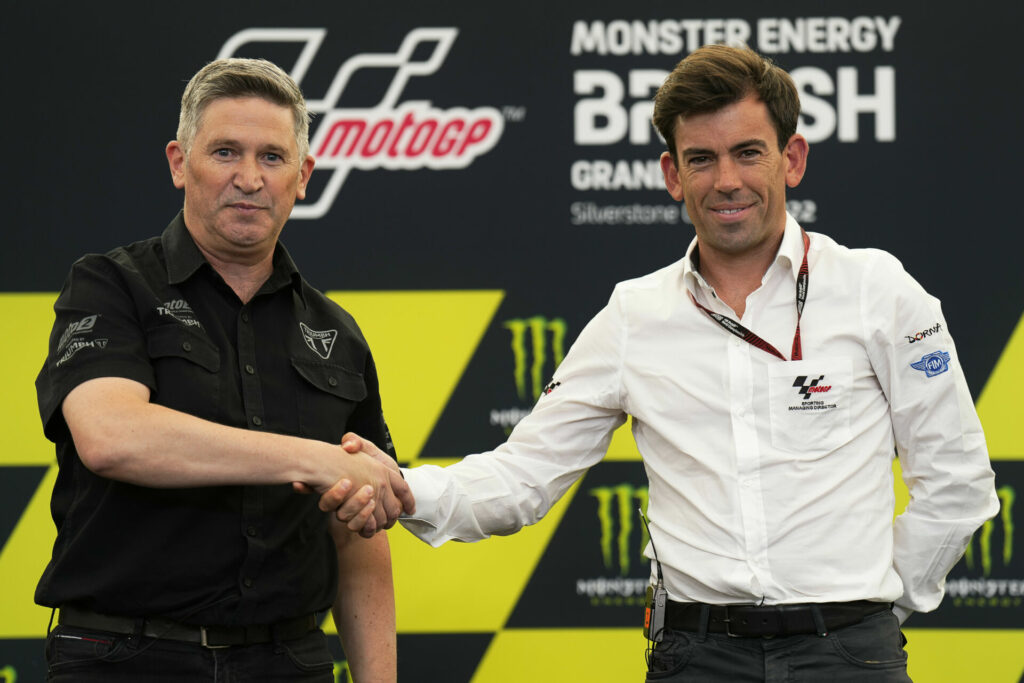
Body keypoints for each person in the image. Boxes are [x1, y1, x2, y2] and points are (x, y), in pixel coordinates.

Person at [329, 45, 999, 681]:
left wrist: (871, 611)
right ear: (671, 173)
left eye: (747, 153)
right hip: (696, 659)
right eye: (701, 159)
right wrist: (408, 489)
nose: (726, 180)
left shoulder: (878, 290)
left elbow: (958, 481)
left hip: (852, 658)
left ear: (791, 159)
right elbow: (524, 475)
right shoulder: (633, 314)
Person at [34, 58, 414, 682]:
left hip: (290, 660)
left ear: (303, 176)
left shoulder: (337, 333)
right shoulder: (109, 286)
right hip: (124, 658)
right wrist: (311, 458)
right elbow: (111, 437)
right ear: (180, 163)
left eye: (271, 157)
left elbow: (359, 529)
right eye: (225, 152)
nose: (248, 178)